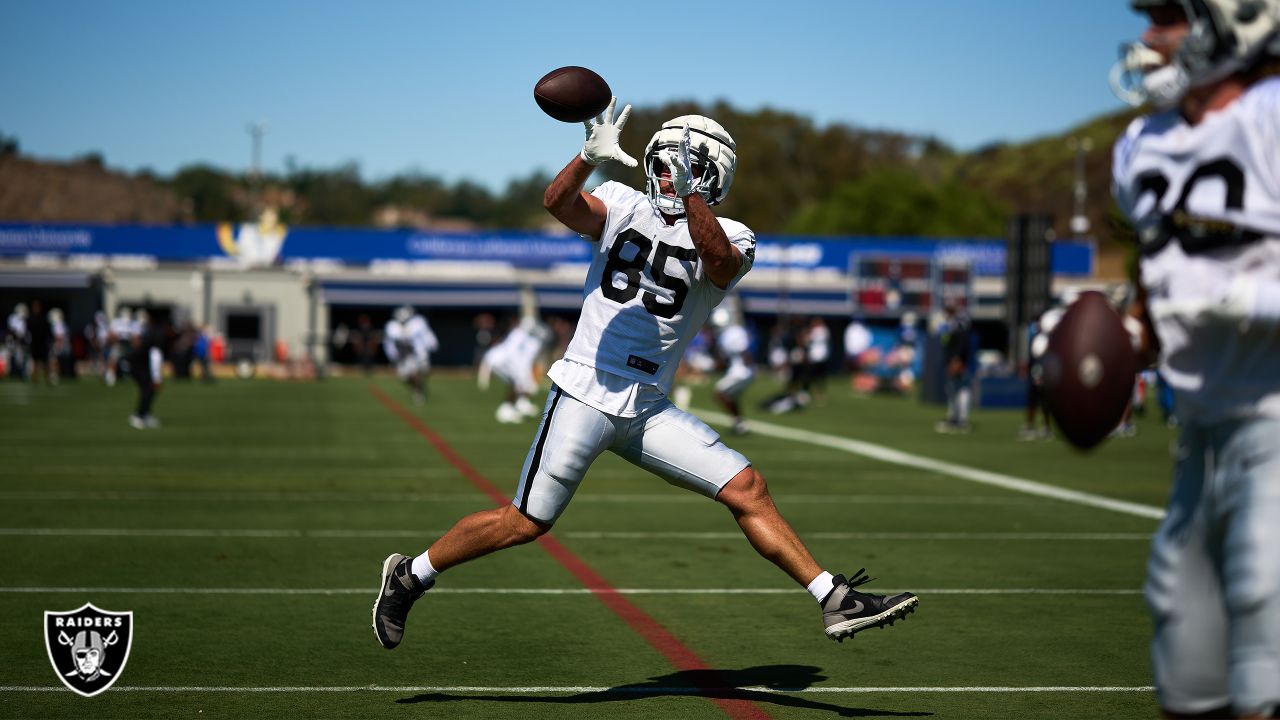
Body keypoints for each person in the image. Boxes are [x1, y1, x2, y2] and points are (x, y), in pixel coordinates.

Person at [372, 99, 918, 650]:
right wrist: (586, 158)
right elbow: (559, 203)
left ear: (709, 175)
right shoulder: (620, 201)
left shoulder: (736, 235)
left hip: (648, 405)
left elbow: (717, 261)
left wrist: (691, 199)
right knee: (525, 522)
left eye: (676, 165)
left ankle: (832, 598)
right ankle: (411, 574)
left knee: (747, 487)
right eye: (659, 161)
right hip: (586, 389)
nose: (662, 172)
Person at [1111, 1, 1280, 716]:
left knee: (1263, 627)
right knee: (1186, 650)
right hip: (1201, 433)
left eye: (1171, 16)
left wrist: (1239, 299)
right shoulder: (1140, 143)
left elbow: (1212, 288)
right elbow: (1160, 284)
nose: (1150, 36)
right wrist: (1119, 341)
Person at [481, 316, 549, 423]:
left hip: (503, 361)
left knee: (517, 384)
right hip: (503, 361)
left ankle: (513, 407)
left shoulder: (522, 336)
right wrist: (519, 371)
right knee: (517, 383)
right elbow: (512, 353)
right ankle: (505, 410)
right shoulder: (521, 335)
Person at [711, 304, 755, 435]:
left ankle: (739, 423)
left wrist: (748, 367)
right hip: (739, 371)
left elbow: (744, 351)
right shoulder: (729, 334)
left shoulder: (732, 333)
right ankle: (739, 424)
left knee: (719, 394)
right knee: (730, 396)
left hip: (740, 372)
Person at [934, 302, 974, 433]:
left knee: (961, 389)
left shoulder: (959, 323)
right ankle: (954, 417)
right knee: (952, 390)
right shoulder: (950, 323)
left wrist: (957, 359)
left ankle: (961, 419)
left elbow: (961, 342)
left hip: (958, 361)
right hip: (953, 359)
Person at [128, 315, 163, 429]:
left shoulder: (149, 334)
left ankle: (145, 414)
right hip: (138, 367)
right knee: (147, 389)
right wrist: (157, 378)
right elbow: (155, 357)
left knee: (148, 390)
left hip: (141, 366)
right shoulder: (154, 337)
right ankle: (139, 415)